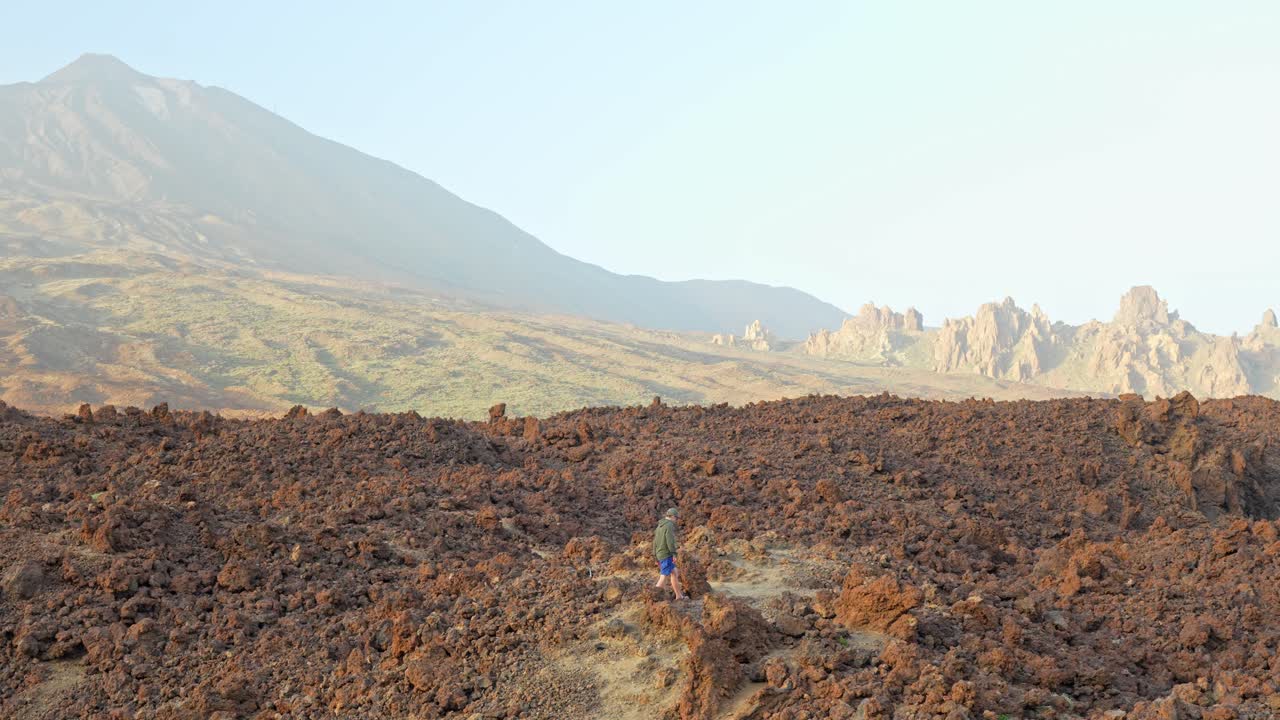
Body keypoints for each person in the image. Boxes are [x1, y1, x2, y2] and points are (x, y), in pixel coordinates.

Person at [653, 507, 686, 600]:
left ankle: (679, 596)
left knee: (674, 572)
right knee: (663, 576)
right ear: (671, 516)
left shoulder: (660, 525)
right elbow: (670, 541)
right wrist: (674, 554)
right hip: (666, 554)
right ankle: (654, 597)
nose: (676, 520)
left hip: (660, 553)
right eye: (676, 518)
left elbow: (654, 542)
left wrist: (655, 556)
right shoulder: (669, 525)